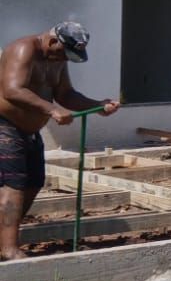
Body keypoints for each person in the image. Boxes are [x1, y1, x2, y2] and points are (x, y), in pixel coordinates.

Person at [0, 23, 119, 260]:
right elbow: (12, 90)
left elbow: (65, 94)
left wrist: (96, 106)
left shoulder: (58, 60)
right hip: (5, 125)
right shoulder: (24, 49)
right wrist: (51, 110)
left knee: (33, 182)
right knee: (13, 184)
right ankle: (9, 250)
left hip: (30, 131)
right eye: (64, 53)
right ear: (53, 42)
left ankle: (3, 235)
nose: (64, 59)